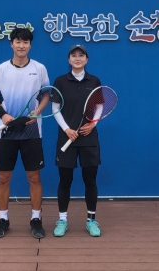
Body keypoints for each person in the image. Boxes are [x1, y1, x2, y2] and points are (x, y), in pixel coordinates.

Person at [0, 27, 48, 239]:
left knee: (34, 177)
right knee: (3, 178)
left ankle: (36, 219)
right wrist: (2, 114)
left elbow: (46, 95)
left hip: (32, 130)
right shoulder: (1, 69)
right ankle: (3, 220)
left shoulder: (39, 68)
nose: (21, 46)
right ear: (11, 44)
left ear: (30, 45)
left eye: (25, 42)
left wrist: (38, 112)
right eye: (18, 42)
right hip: (6, 132)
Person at [52, 44, 103, 237]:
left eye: (81, 55)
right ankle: (62, 220)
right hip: (67, 139)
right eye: (73, 55)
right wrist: (67, 129)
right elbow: (55, 108)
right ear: (69, 59)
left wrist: (93, 124)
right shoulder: (60, 81)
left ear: (87, 59)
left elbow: (99, 106)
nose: (77, 58)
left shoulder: (94, 81)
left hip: (89, 139)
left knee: (90, 180)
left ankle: (91, 220)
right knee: (65, 181)